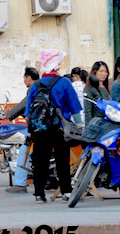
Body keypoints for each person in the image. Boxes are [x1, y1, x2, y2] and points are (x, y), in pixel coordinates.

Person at [25, 50, 83, 203]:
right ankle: (66, 192)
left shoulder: (35, 85)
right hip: (59, 128)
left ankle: (39, 194)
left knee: (40, 161)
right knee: (62, 160)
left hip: (40, 129)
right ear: (57, 64)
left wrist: (33, 128)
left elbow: (28, 112)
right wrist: (80, 126)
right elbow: (74, 107)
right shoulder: (64, 83)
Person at [0, 66, 39, 193]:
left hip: (37, 127)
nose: (24, 80)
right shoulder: (40, 87)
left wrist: (7, 115)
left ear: (28, 77)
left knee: (24, 151)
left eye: (24, 77)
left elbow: (23, 105)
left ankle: (20, 184)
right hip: (43, 125)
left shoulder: (34, 88)